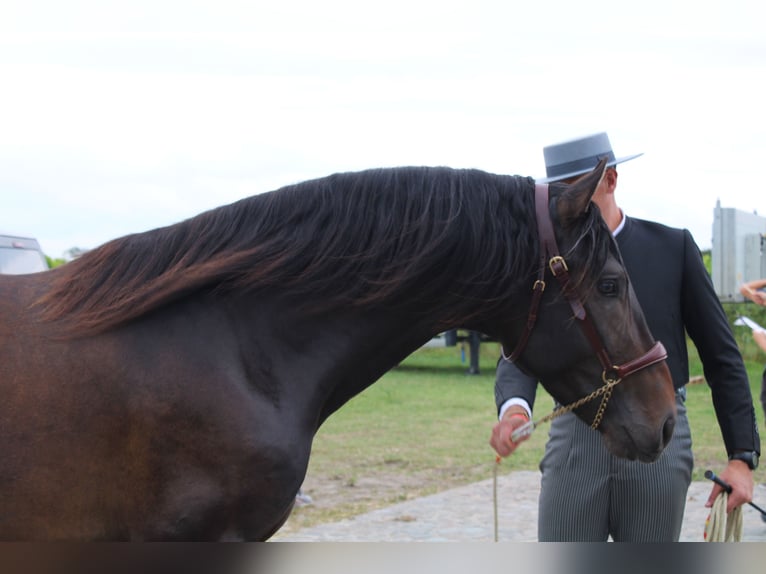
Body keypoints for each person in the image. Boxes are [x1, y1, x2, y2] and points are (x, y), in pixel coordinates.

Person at [489, 132, 761, 541]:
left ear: (612, 181)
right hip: (575, 439)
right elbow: (521, 348)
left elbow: (722, 358)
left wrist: (741, 458)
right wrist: (514, 408)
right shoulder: (546, 262)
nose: (570, 206)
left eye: (581, 191)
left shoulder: (673, 248)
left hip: (658, 435)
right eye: (560, 195)